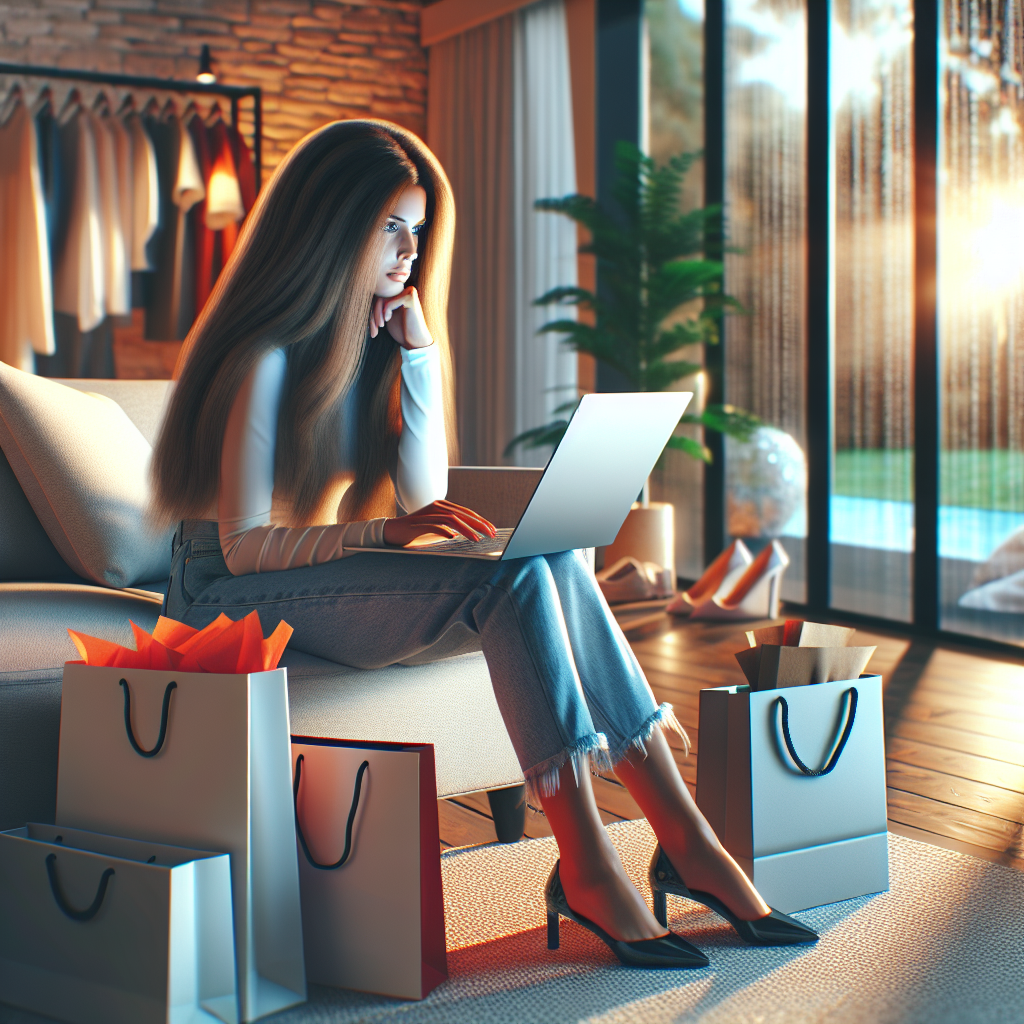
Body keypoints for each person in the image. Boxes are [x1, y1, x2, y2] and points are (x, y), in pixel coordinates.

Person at [151, 120, 816, 968]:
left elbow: (425, 498)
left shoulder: (366, 343)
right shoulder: (264, 356)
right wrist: (384, 532)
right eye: (389, 226)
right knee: (510, 582)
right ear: (330, 228)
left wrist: (418, 355)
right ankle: (589, 864)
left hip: (309, 578)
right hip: (222, 598)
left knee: (554, 554)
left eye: (416, 231)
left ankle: (684, 839)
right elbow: (244, 551)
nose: (407, 252)